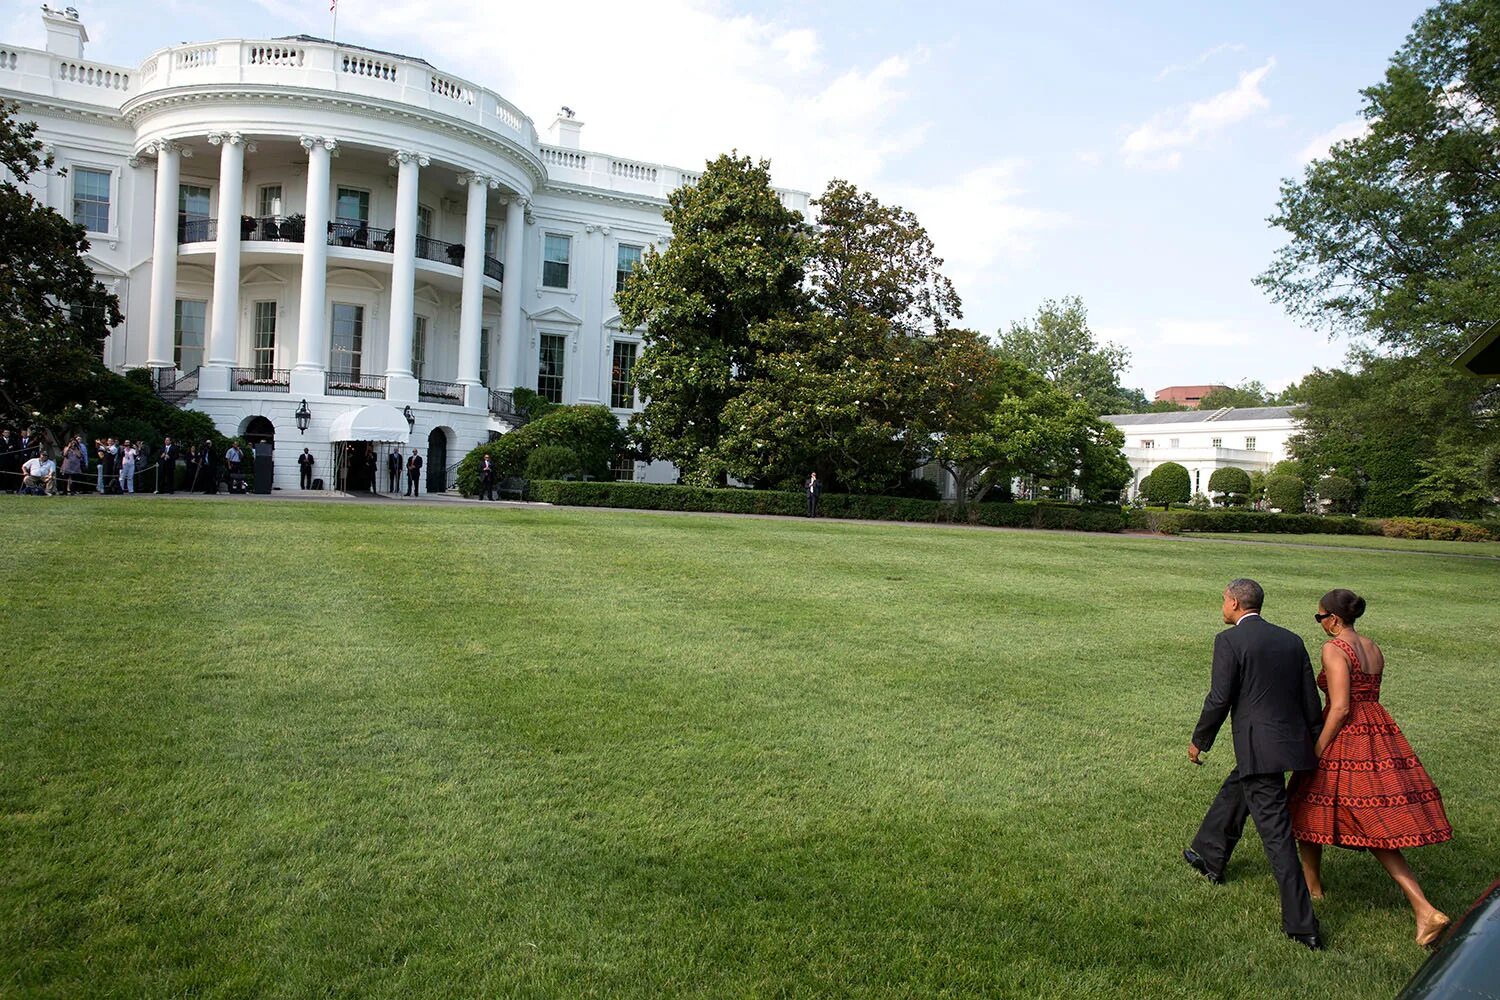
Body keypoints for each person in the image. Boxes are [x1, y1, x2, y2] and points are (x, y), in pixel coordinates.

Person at [1289, 589, 1453, 948]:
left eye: (1319, 618)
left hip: (1347, 736)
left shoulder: (1334, 649)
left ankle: (1424, 909)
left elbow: (1341, 707)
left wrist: (1316, 749)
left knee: (1355, 817)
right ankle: (1312, 886)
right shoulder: (1373, 647)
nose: (1319, 625)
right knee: (1309, 805)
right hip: (1379, 728)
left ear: (1333, 619)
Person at [1184, 578, 1325, 950]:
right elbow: (1310, 700)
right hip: (1289, 748)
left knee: (1277, 836)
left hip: (1260, 749)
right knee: (1238, 788)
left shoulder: (1228, 641)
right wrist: (1315, 743)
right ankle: (1210, 857)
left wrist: (1200, 741)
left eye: (1223, 601)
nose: (1222, 607)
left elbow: (1219, 698)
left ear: (1233, 603)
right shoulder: (1291, 640)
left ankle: (1301, 924)